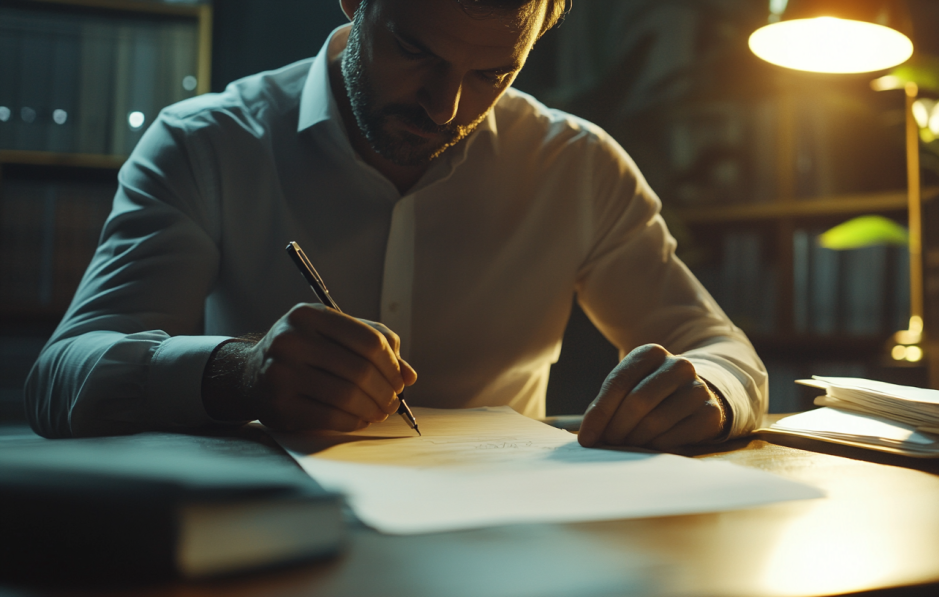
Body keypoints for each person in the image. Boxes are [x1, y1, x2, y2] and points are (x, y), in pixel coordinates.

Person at [26, 0, 767, 450]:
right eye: (415, 51)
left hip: (505, 548)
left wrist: (702, 387)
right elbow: (61, 377)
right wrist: (235, 373)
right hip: (262, 545)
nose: (443, 108)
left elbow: (721, 351)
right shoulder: (206, 143)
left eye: (492, 74)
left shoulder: (577, 166)